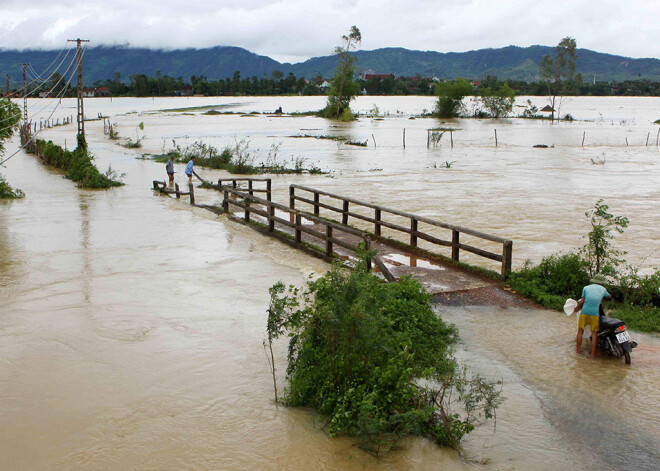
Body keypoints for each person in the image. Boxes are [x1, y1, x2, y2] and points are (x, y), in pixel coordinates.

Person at [574, 273, 611, 358]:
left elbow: (582, 301)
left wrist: (577, 307)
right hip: (594, 314)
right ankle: (593, 355)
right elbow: (609, 297)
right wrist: (609, 296)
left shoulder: (586, 288)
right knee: (594, 334)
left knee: (580, 331)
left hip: (584, 312)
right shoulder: (603, 289)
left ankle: (578, 352)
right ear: (601, 282)